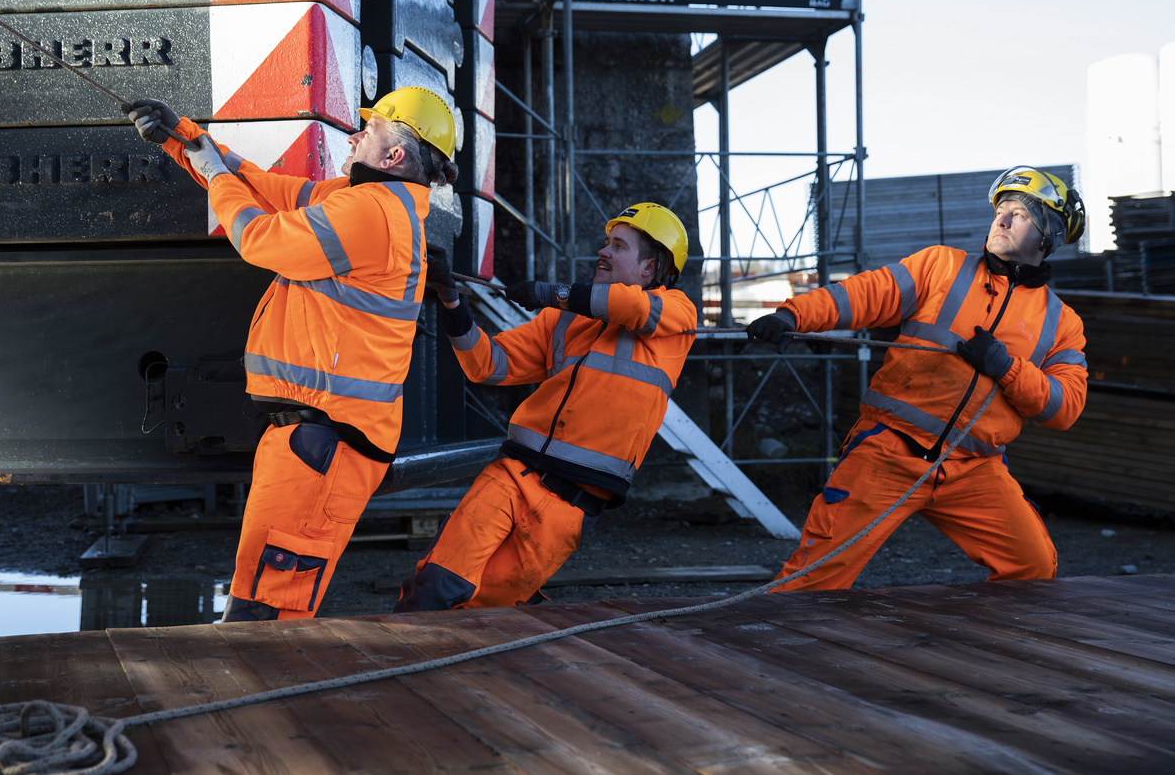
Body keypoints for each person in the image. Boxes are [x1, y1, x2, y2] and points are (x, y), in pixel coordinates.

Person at [124, 87, 457, 621]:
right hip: (321, 442)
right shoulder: (363, 201)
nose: (354, 135)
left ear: (394, 156)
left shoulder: (370, 214)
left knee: (266, 617)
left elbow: (258, 236)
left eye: (368, 131)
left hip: (324, 447)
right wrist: (185, 137)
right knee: (264, 610)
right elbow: (269, 188)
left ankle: (260, 702)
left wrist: (212, 175)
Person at [749, 166, 1088, 591]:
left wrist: (1007, 369)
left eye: (1019, 214)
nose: (1001, 220)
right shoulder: (941, 267)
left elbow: (1065, 408)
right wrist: (793, 315)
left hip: (973, 469)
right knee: (813, 581)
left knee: (1033, 569)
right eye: (1001, 208)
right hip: (888, 453)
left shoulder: (1062, 323)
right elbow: (864, 293)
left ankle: (973, 654)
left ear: (1050, 235)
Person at [394, 203, 698, 611]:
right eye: (606, 243)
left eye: (619, 246)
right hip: (513, 474)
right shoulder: (564, 321)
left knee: (490, 609)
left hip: (569, 509)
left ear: (650, 268)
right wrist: (451, 301)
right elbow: (486, 364)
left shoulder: (677, 315)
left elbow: (634, 308)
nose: (602, 252)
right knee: (436, 586)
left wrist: (549, 293)